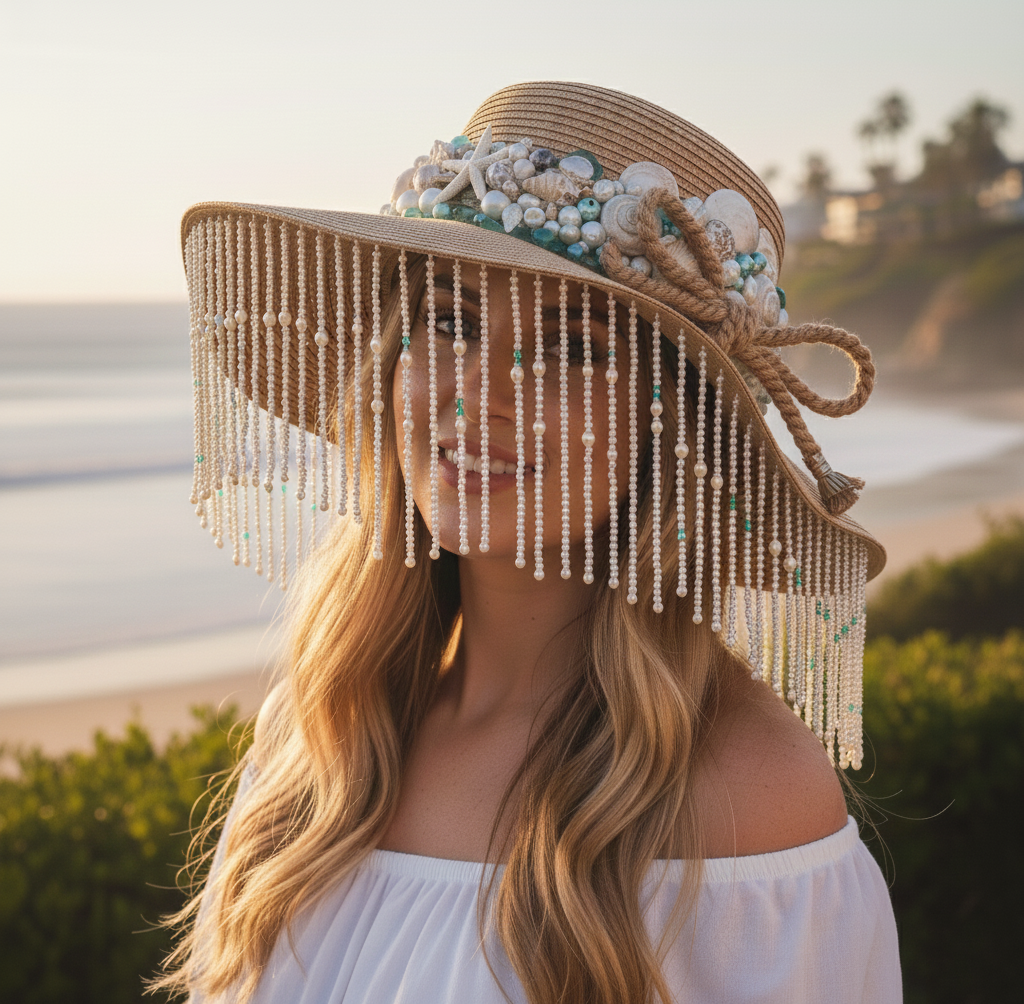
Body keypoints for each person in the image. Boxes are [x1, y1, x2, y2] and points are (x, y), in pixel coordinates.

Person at [156, 82, 902, 1003]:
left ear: (668, 426)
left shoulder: (746, 800)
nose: (479, 395)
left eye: (573, 346)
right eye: (452, 322)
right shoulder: (317, 742)